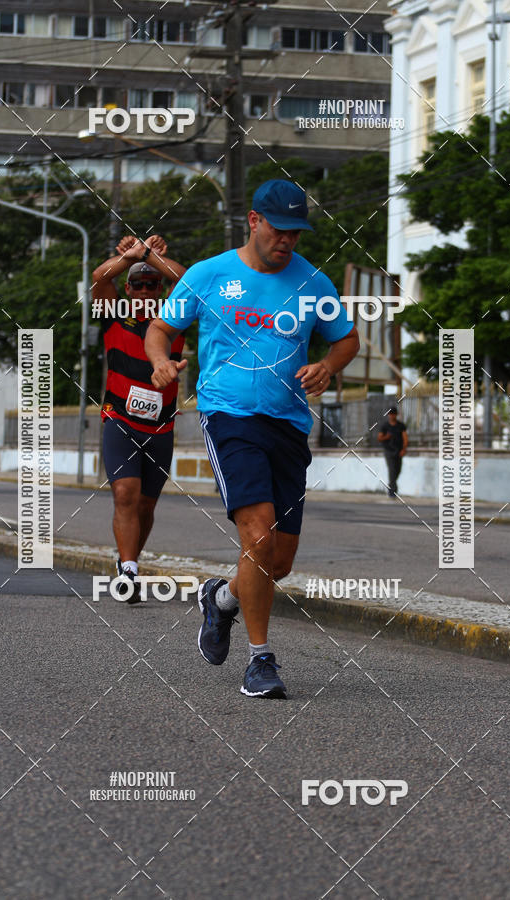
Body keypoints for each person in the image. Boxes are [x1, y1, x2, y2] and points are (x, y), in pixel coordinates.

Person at [145, 179, 359, 698]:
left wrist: (328, 366)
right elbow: (160, 329)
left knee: (277, 562)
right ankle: (260, 660)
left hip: (288, 422)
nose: (288, 241)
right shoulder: (209, 275)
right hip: (229, 414)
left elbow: (347, 338)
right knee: (258, 536)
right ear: (255, 221)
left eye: (297, 233)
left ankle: (220, 600)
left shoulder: (313, 283)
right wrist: (160, 362)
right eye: (280, 230)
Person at [92, 234, 186, 603]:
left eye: (152, 284)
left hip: (161, 425)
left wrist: (148, 255)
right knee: (125, 494)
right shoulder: (114, 314)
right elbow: (100, 279)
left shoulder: (173, 320)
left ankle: (131, 557)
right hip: (120, 420)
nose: (145, 289)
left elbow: (189, 282)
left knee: (146, 504)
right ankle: (128, 570)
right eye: (138, 284)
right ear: (129, 289)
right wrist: (131, 257)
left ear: (160, 289)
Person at [377, 406, 408, 497]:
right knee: (392, 470)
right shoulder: (385, 426)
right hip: (388, 451)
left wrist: (404, 449)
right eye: (390, 414)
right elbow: (379, 438)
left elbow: (405, 438)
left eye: (393, 414)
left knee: (398, 470)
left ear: (396, 415)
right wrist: (387, 437)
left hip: (398, 451)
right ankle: (392, 491)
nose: (391, 416)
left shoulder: (401, 426)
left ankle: (391, 484)